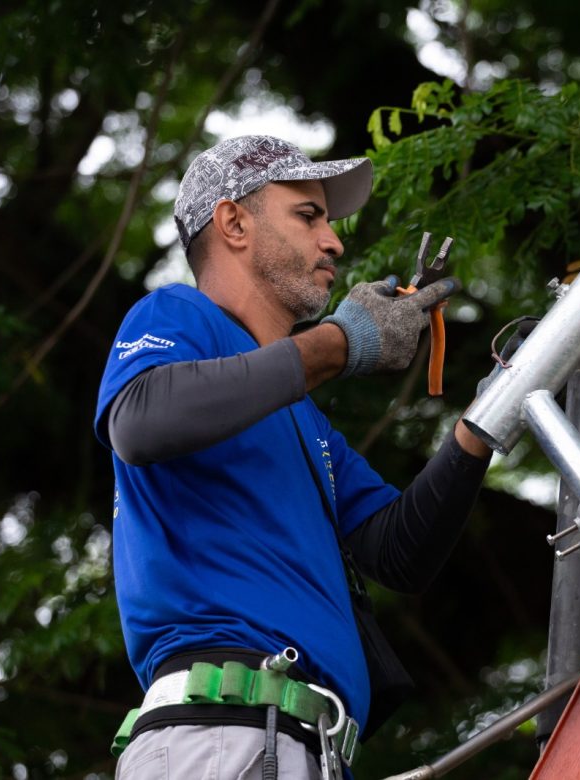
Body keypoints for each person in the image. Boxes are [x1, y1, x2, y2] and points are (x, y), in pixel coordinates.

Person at [94, 135, 493, 779]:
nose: (333, 242)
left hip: (297, 746)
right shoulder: (177, 313)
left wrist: (487, 421)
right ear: (233, 223)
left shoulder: (304, 419)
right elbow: (141, 421)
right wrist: (338, 343)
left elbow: (399, 552)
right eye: (308, 216)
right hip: (218, 731)